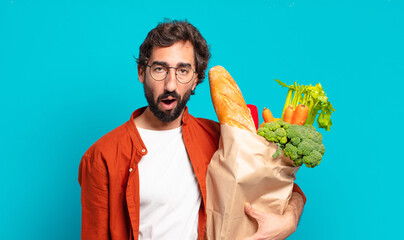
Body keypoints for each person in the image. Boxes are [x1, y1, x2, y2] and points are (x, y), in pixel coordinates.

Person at [79, 19, 305, 240]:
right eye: (159, 69)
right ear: (141, 72)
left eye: (183, 71)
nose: (170, 84)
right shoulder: (102, 156)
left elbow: (281, 186)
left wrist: (290, 219)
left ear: (196, 78)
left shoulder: (220, 137)